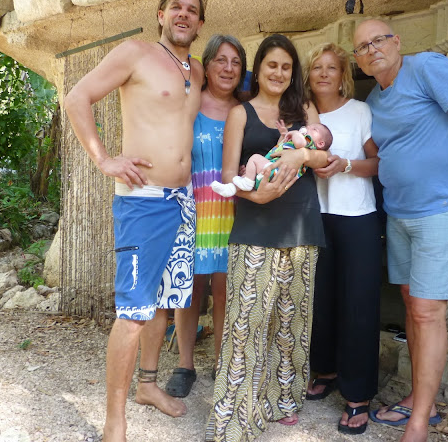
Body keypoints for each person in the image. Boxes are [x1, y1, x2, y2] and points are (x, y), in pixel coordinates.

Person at [63, 0, 206, 442]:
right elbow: (77, 98)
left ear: (200, 24)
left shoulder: (197, 71)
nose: (185, 15)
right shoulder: (135, 53)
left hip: (183, 201)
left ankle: (148, 386)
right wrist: (104, 159)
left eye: (194, 11)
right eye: (177, 8)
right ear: (161, 14)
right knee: (133, 312)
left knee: (164, 302)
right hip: (144, 203)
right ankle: (113, 424)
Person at [352, 19, 448, 442]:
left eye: (378, 40)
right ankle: (425, 402)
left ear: (397, 42)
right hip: (398, 214)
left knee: (426, 311)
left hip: (438, 211)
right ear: (359, 60)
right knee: (411, 307)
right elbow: (385, 155)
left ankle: (419, 422)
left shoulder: (427, 69)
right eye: (362, 47)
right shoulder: (375, 101)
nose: (371, 49)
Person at [205, 34, 329, 442]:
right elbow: (227, 176)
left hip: (300, 224)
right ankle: (236, 414)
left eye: (286, 67)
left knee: (291, 321)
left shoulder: (303, 108)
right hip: (255, 225)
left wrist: (300, 155)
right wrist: (256, 192)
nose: (279, 73)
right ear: (259, 69)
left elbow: (324, 156)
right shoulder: (241, 113)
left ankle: (283, 402)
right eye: (272, 65)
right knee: (246, 322)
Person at [303, 42, 383, 435]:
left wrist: (345, 165)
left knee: (357, 306)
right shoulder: (301, 116)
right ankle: (326, 370)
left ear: (343, 75)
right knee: (321, 301)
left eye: (330, 67)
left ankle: (358, 396)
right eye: (316, 67)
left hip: (357, 218)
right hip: (318, 219)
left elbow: (378, 164)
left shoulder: (359, 111)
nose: (322, 73)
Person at [164, 34, 247, 398]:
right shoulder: (191, 105)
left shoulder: (246, 110)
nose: (228, 68)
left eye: (235, 62)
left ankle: (220, 363)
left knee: (226, 289)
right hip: (193, 207)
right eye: (221, 61)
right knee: (189, 290)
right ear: (208, 65)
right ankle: (185, 365)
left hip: (234, 210)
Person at [211, 121, 333, 196]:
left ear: (320, 144)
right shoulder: (298, 141)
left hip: (277, 172)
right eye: (309, 126)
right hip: (275, 173)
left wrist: (296, 133)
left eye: (314, 129)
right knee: (248, 174)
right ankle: (231, 188)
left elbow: (300, 144)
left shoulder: (308, 142)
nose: (308, 127)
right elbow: (279, 148)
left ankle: (247, 183)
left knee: (254, 158)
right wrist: (284, 136)